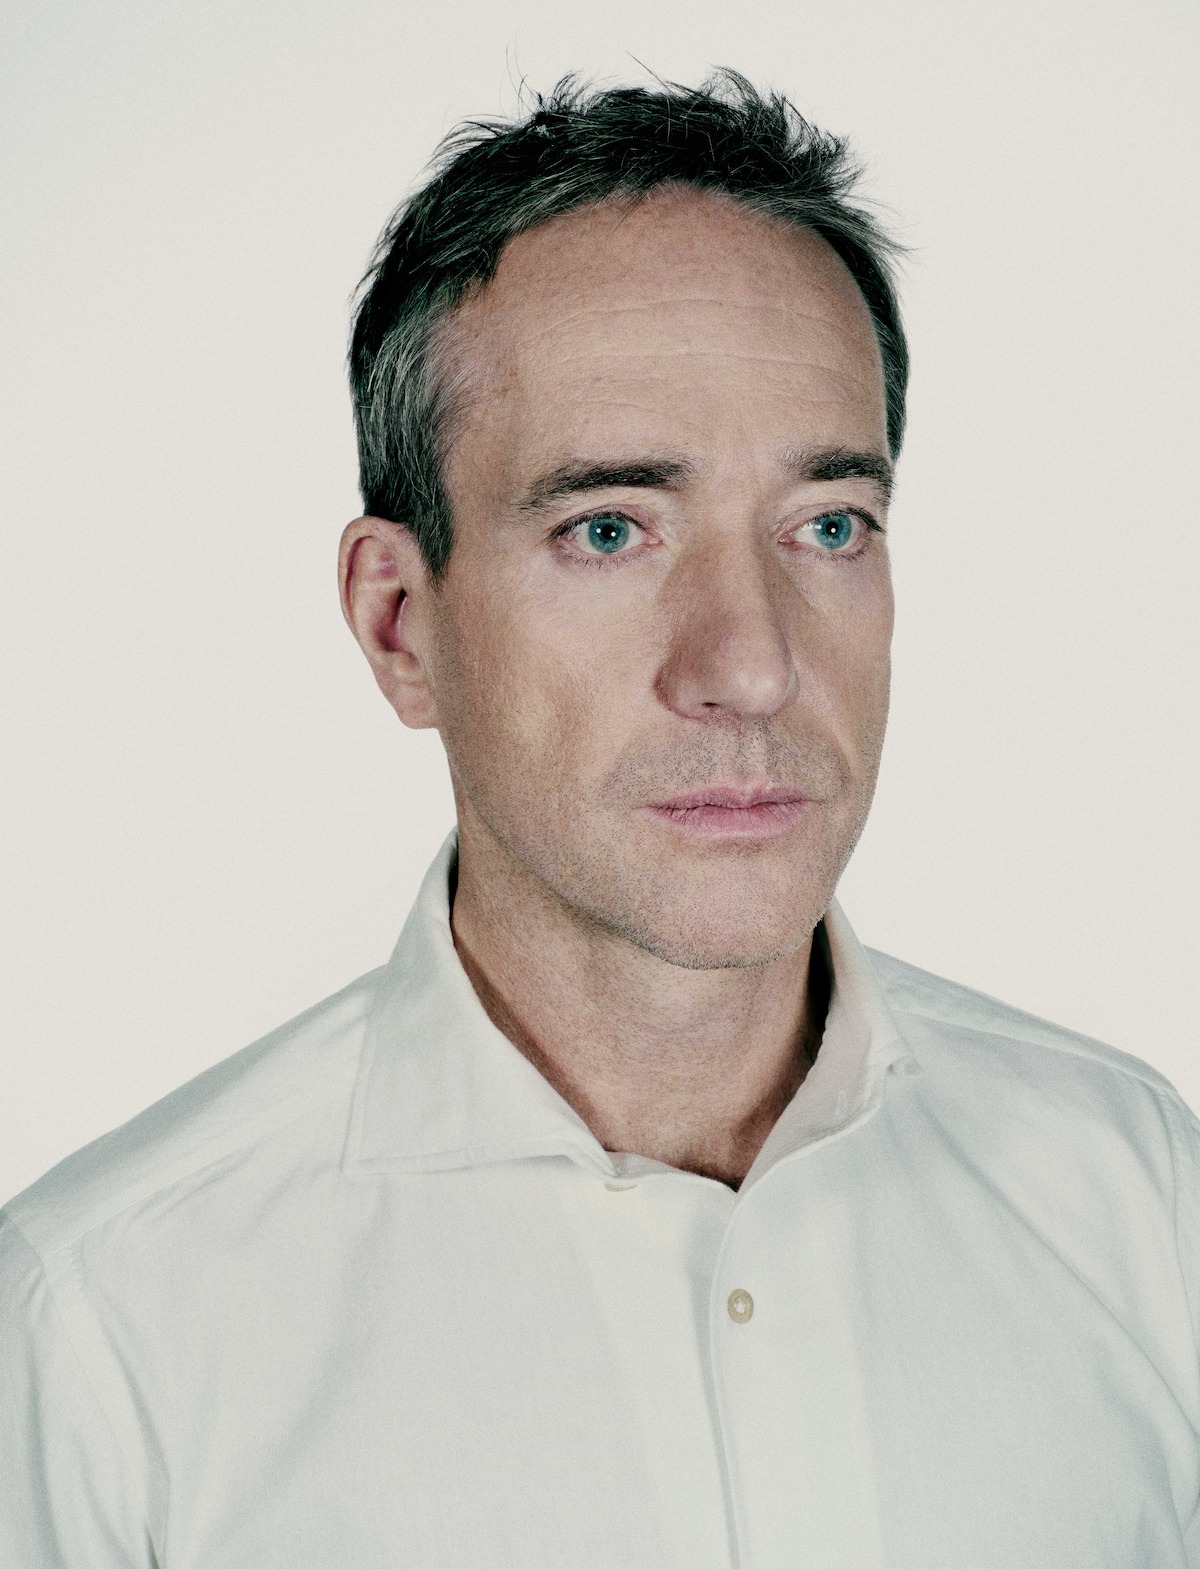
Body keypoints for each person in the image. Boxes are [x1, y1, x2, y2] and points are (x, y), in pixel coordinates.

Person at [2, 69, 1198, 1568]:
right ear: (399, 625)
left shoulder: (1142, 1194)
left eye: (828, 524)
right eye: (609, 527)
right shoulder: (109, 1325)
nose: (753, 662)